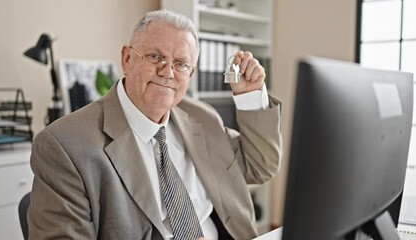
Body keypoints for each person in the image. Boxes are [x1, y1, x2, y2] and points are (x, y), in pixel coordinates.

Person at [28, 9, 282, 240]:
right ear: (127, 58)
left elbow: (259, 166)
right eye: (155, 56)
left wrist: (250, 96)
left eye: (181, 64)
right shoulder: (63, 145)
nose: (168, 72)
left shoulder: (203, 118)